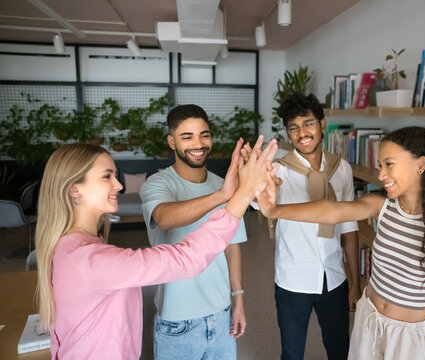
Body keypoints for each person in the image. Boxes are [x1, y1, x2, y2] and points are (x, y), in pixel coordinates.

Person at [34, 138, 278, 360]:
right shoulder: (88, 260)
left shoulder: (72, 247)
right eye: (106, 176)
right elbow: (185, 259)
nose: (118, 185)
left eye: (114, 175)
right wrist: (244, 194)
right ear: (74, 188)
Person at [258, 126, 425, 360]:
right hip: (368, 322)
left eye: (389, 164)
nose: (381, 175)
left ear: (420, 164)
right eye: (380, 165)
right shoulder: (383, 206)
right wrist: (274, 209)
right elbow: (333, 211)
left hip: (410, 341)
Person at [251, 93, 360, 360]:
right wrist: (261, 188)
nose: (302, 132)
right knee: (292, 352)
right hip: (292, 280)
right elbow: (258, 204)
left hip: (334, 278)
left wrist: (355, 283)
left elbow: (349, 226)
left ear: (322, 125)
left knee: (340, 350)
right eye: (294, 127)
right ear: (288, 133)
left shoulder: (341, 169)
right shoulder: (277, 171)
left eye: (308, 123)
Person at [139, 104, 249, 360]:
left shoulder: (223, 185)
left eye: (204, 135)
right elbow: (165, 217)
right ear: (172, 142)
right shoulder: (158, 183)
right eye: (186, 137)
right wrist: (222, 196)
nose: (198, 144)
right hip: (177, 320)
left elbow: (232, 246)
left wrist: (239, 299)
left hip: (221, 314)